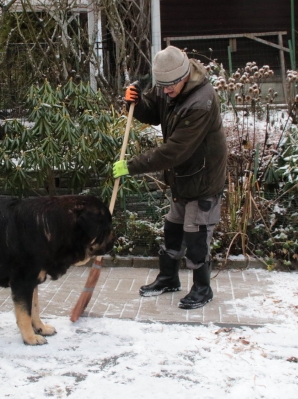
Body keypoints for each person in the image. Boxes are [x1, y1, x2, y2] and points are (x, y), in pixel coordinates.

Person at [112, 46, 227, 309]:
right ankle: (168, 278)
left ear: (184, 75)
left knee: (196, 235)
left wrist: (132, 165)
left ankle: (202, 288)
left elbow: (174, 151)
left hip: (202, 179)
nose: (165, 91)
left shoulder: (201, 102)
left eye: (169, 87)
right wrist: (136, 102)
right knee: (173, 229)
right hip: (182, 177)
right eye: (161, 86)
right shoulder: (170, 84)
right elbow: (154, 111)